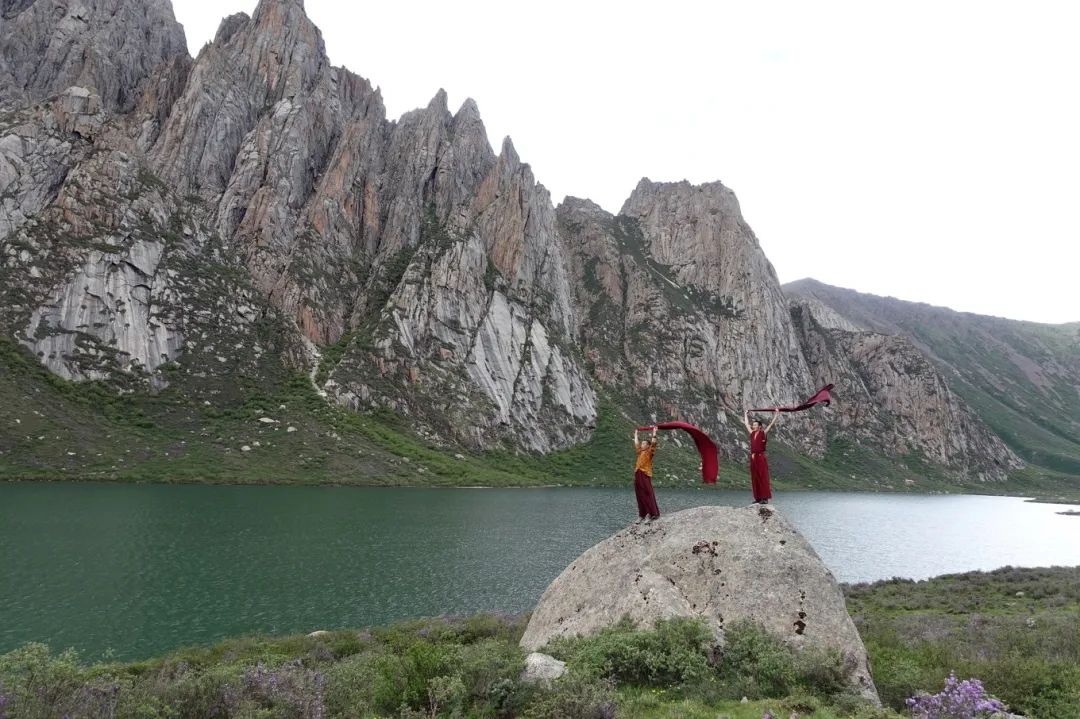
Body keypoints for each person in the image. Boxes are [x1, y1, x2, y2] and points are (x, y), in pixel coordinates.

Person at [743, 409, 779, 503]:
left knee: (763, 476)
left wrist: (776, 413)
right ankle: (758, 498)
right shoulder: (752, 433)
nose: (753, 426)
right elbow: (746, 424)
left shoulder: (763, 433)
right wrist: (745, 414)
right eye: (753, 425)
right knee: (755, 477)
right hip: (753, 457)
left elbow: (771, 424)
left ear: (759, 427)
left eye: (755, 425)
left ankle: (765, 498)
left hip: (760, 457)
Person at [632, 427, 660, 522]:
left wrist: (654, 433)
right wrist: (636, 434)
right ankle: (642, 515)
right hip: (637, 474)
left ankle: (651, 514)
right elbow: (636, 443)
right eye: (642, 443)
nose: (642, 444)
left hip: (645, 474)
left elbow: (654, 444)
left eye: (644, 443)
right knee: (639, 495)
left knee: (648, 494)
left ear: (648, 446)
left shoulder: (649, 452)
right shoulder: (640, 452)